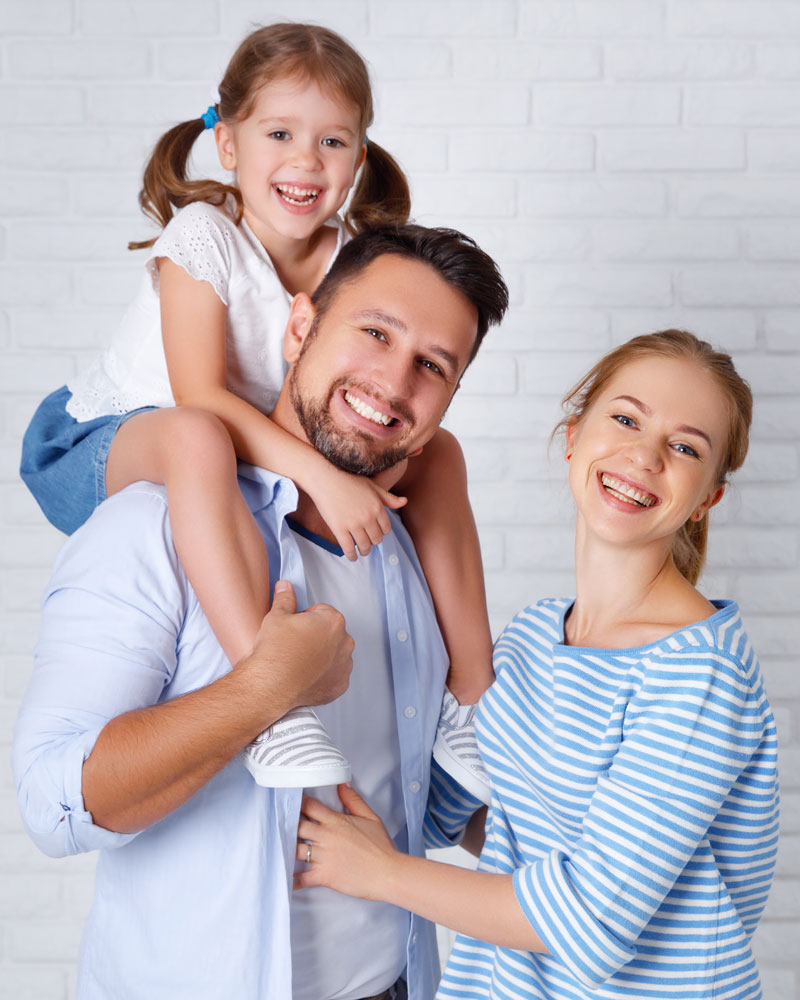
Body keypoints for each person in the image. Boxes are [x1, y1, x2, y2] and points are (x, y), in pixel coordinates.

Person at [12, 224, 509, 1000]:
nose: (391, 380)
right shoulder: (154, 527)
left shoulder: (414, 555)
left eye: (431, 366)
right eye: (374, 332)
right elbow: (53, 802)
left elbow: (429, 806)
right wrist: (264, 690)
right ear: (301, 326)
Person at [18, 22, 495, 798]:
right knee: (199, 437)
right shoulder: (203, 236)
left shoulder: (352, 256)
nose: (307, 161)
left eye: (334, 142)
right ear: (230, 144)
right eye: (281, 133)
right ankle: (269, 697)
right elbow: (200, 395)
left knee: (438, 451)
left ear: (360, 160)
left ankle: (473, 705)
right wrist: (328, 481)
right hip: (108, 440)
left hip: (238, 440)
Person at [295, 330, 780, 1000]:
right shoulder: (532, 639)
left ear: (707, 500)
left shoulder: (698, 672)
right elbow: (468, 815)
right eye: (627, 418)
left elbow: (590, 918)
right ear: (574, 436)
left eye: (686, 447)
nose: (644, 455)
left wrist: (379, 871)